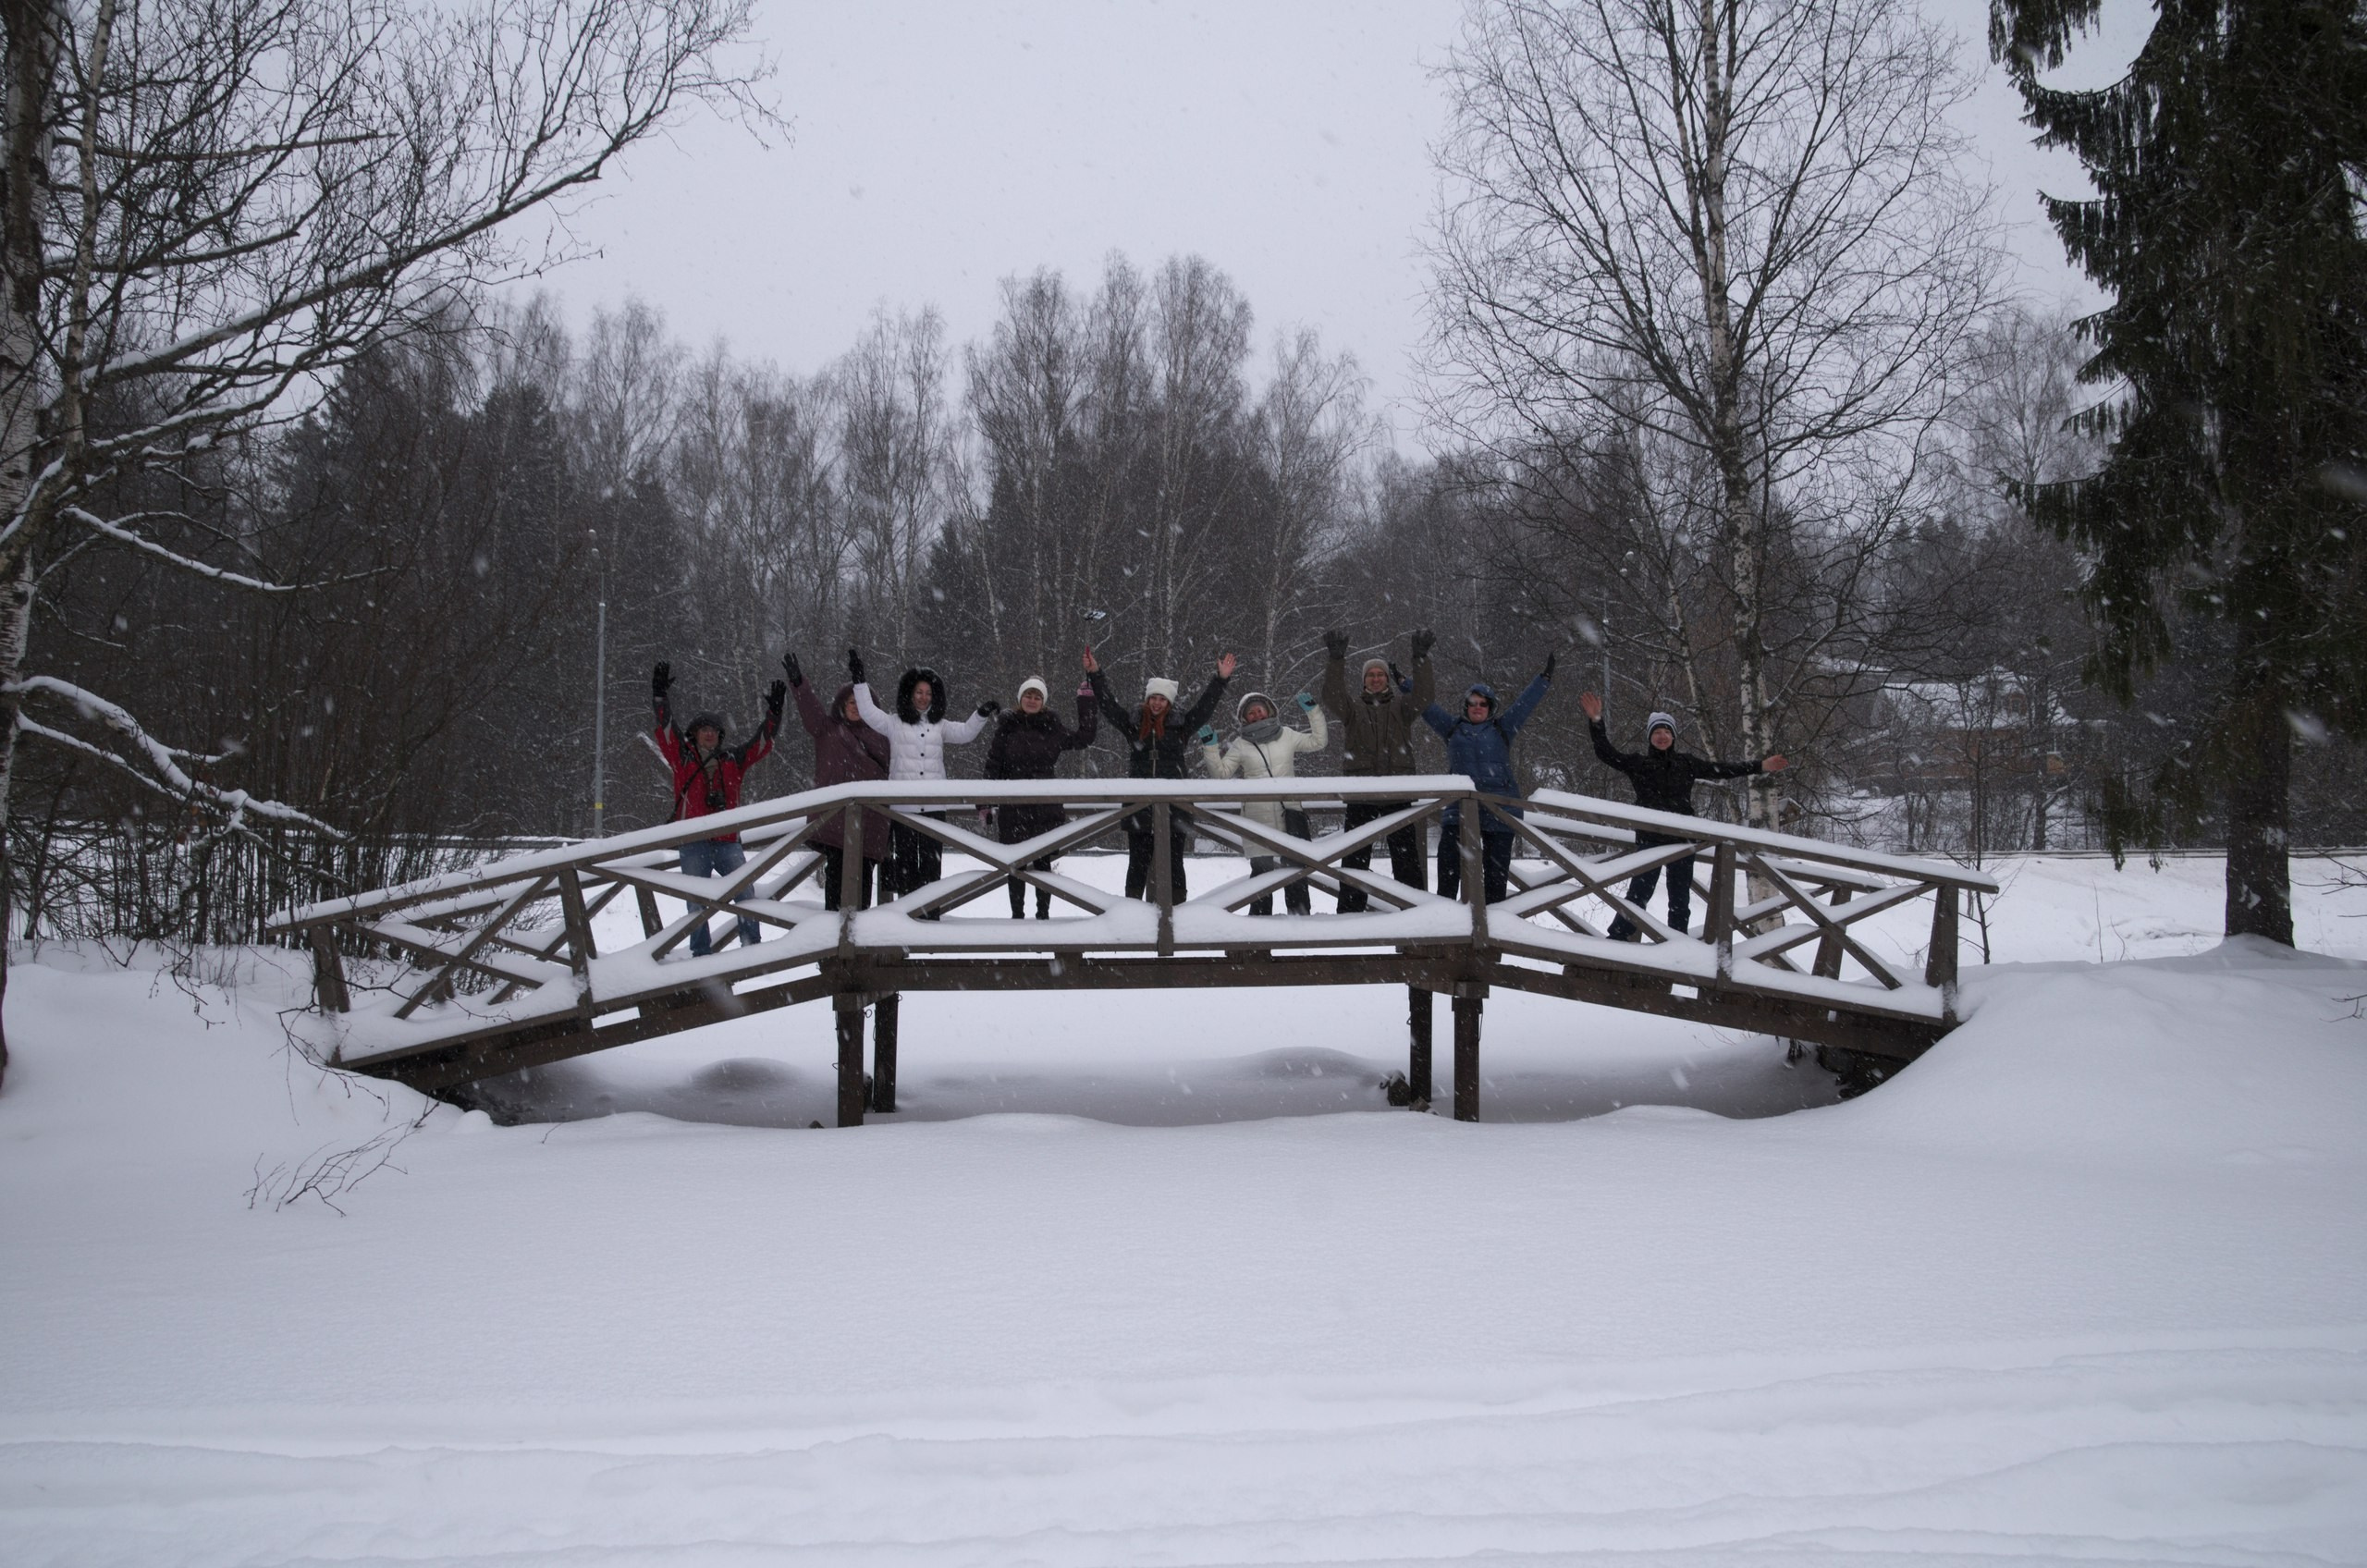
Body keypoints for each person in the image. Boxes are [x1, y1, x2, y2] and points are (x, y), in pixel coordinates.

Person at [1580, 692, 1787, 940]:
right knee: (1639, 893)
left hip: (1683, 839)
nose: (1662, 736)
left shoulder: (1686, 764)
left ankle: (1676, 943)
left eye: (1667, 731)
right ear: (1650, 736)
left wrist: (1761, 766)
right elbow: (1606, 753)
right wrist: (1596, 721)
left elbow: (1723, 769)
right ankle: (1618, 938)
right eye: (1657, 731)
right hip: (1651, 838)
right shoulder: (1639, 764)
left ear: (1673, 736)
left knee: (1679, 898)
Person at [652, 659, 784, 955]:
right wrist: (659, 697)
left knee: (745, 894)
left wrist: (775, 713)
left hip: (727, 842)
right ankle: (701, 953)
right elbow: (665, 730)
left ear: (720, 734)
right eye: (703, 729)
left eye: (713, 729)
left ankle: (751, 946)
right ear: (694, 734)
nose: (709, 733)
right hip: (693, 842)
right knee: (696, 902)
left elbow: (762, 744)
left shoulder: (732, 760)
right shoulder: (682, 758)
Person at [849, 649, 997, 911]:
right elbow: (869, 713)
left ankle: (931, 917)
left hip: (934, 807)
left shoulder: (940, 725)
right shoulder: (893, 723)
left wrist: (981, 714)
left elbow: (965, 733)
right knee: (905, 866)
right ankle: (906, 917)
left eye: (928, 693)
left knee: (931, 866)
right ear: (909, 693)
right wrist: (860, 681)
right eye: (919, 692)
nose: (923, 697)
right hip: (902, 807)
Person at [1085, 648, 1235, 902]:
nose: (1157, 703)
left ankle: (1176, 912)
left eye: (1162, 699)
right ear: (1147, 699)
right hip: (1139, 805)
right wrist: (1095, 674)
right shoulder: (1133, 723)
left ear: (1169, 702)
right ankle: (1132, 910)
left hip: (1175, 804)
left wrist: (1220, 680)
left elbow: (1205, 707)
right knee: (1137, 863)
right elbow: (1108, 706)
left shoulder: (1181, 725)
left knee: (1175, 862)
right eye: (1153, 698)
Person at [1422, 655, 1555, 904]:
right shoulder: (1452, 729)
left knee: (1496, 879)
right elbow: (1425, 707)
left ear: (1490, 707)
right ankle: (1445, 923)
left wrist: (1543, 679)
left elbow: (1524, 705)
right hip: (1460, 809)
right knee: (1448, 868)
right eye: (1473, 703)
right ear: (1466, 706)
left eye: (1483, 703)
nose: (1477, 707)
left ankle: (1493, 931)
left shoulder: (1502, 729)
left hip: (1500, 809)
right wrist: (1404, 682)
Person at [1321, 627, 1435, 912]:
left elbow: (1425, 695)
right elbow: (1333, 695)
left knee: (1406, 861)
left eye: (1380, 674)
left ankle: (1414, 912)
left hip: (1398, 793)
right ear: (1364, 681)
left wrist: (1420, 658)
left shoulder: (1402, 707)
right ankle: (1350, 913)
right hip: (1362, 795)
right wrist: (1336, 660)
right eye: (1371, 675)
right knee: (1355, 860)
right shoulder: (1352, 709)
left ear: (1387, 679)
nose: (1375, 678)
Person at [983, 663, 1098, 918]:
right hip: (1013, 807)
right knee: (1016, 865)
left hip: (1045, 808)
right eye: (1028, 695)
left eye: (1037, 697)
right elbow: (992, 765)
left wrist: (1087, 701)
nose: (1032, 700)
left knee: (1044, 864)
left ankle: (1043, 916)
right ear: (1020, 699)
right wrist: (984, 803)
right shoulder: (1007, 727)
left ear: (1043, 702)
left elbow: (1084, 738)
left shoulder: (1052, 727)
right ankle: (1017, 917)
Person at [1199, 689, 1329, 915]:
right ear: (1244, 718)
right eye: (1251, 712)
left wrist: (1313, 712)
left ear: (1269, 710)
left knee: (1296, 871)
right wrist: (1210, 747)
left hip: (1289, 813)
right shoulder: (1240, 744)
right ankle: (1259, 927)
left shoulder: (1287, 734)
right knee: (1261, 874)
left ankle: (1300, 923)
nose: (1256, 714)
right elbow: (1221, 773)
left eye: (1259, 709)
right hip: (1257, 818)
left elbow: (1318, 742)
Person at [784, 650, 891, 911]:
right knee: (836, 881)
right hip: (835, 821)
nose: (855, 707)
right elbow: (811, 711)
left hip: (870, 821)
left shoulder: (882, 734)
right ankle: (835, 940)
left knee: (863, 881)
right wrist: (799, 683)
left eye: (859, 702)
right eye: (849, 702)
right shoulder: (828, 729)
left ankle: (858, 941)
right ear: (841, 706)